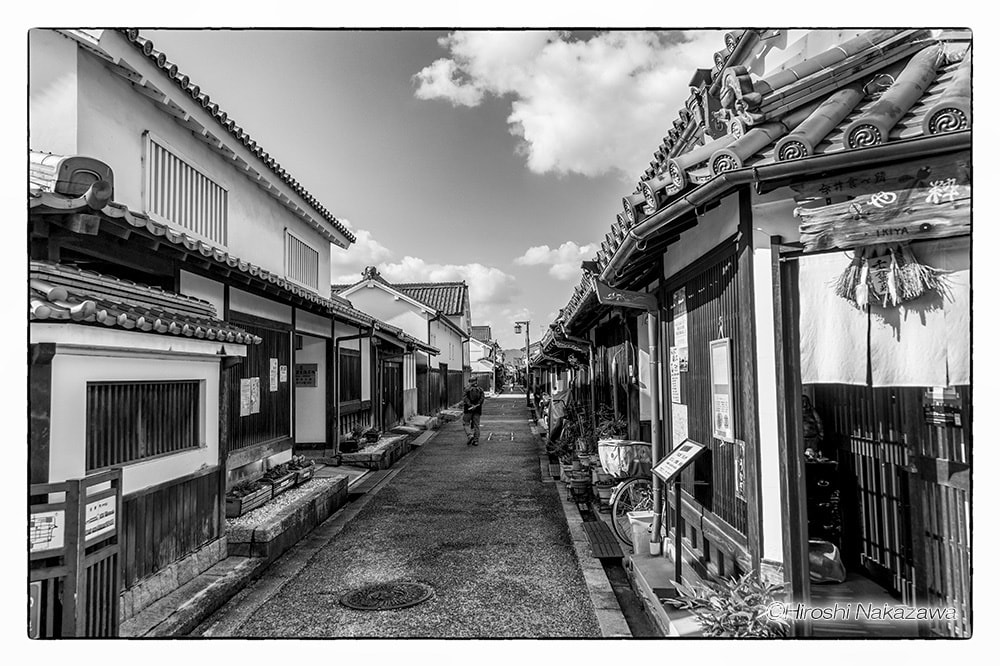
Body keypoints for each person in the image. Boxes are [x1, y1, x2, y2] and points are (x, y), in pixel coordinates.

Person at [462, 376, 485, 446]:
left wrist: (470, 405)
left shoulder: (466, 389)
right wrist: (477, 405)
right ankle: (476, 440)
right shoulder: (480, 390)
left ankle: (470, 435)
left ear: (470, 382)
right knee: (476, 425)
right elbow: (482, 399)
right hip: (477, 409)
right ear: (476, 382)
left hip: (468, 409)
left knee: (466, 423)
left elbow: (465, 398)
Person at [802, 394, 824, 459]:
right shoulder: (797, 411)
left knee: (813, 456)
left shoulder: (811, 410)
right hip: (803, 438)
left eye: (806, 401)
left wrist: (821, 434)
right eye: (803, 401)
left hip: (813, 438)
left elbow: (819, 422)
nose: (804, 404)